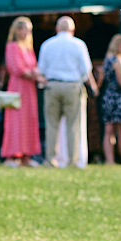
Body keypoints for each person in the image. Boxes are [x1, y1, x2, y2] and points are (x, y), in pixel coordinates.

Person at [38, 16, 96, 168]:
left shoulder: (47, 45)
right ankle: (73, 160)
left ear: (57, 28)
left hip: (52, 85)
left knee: (51, 125)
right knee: (73, 125)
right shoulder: (78, 44)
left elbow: (41, 69)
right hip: (72, 86)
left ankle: (51, 159)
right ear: (73, 29)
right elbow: (86, 69)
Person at [1, 16, 43, 166]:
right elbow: (17, 68)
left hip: (29, 89)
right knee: (16, 120)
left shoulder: (28, 48)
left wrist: (37, 74)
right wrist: (34, 75)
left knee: (29, 119)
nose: (28, 33)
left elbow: (34, 66)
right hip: (18, 88)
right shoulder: (12, 46)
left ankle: (26, 155)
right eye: (26, 30)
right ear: (18, 30)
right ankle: (12, 156)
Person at [96, 33, 121, 166]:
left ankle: (110, 160)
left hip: (108, 97)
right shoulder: (118, 61)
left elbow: (101, 81)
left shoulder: (107, 60)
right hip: (119, 97)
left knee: (108, 131)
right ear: (119, 45)